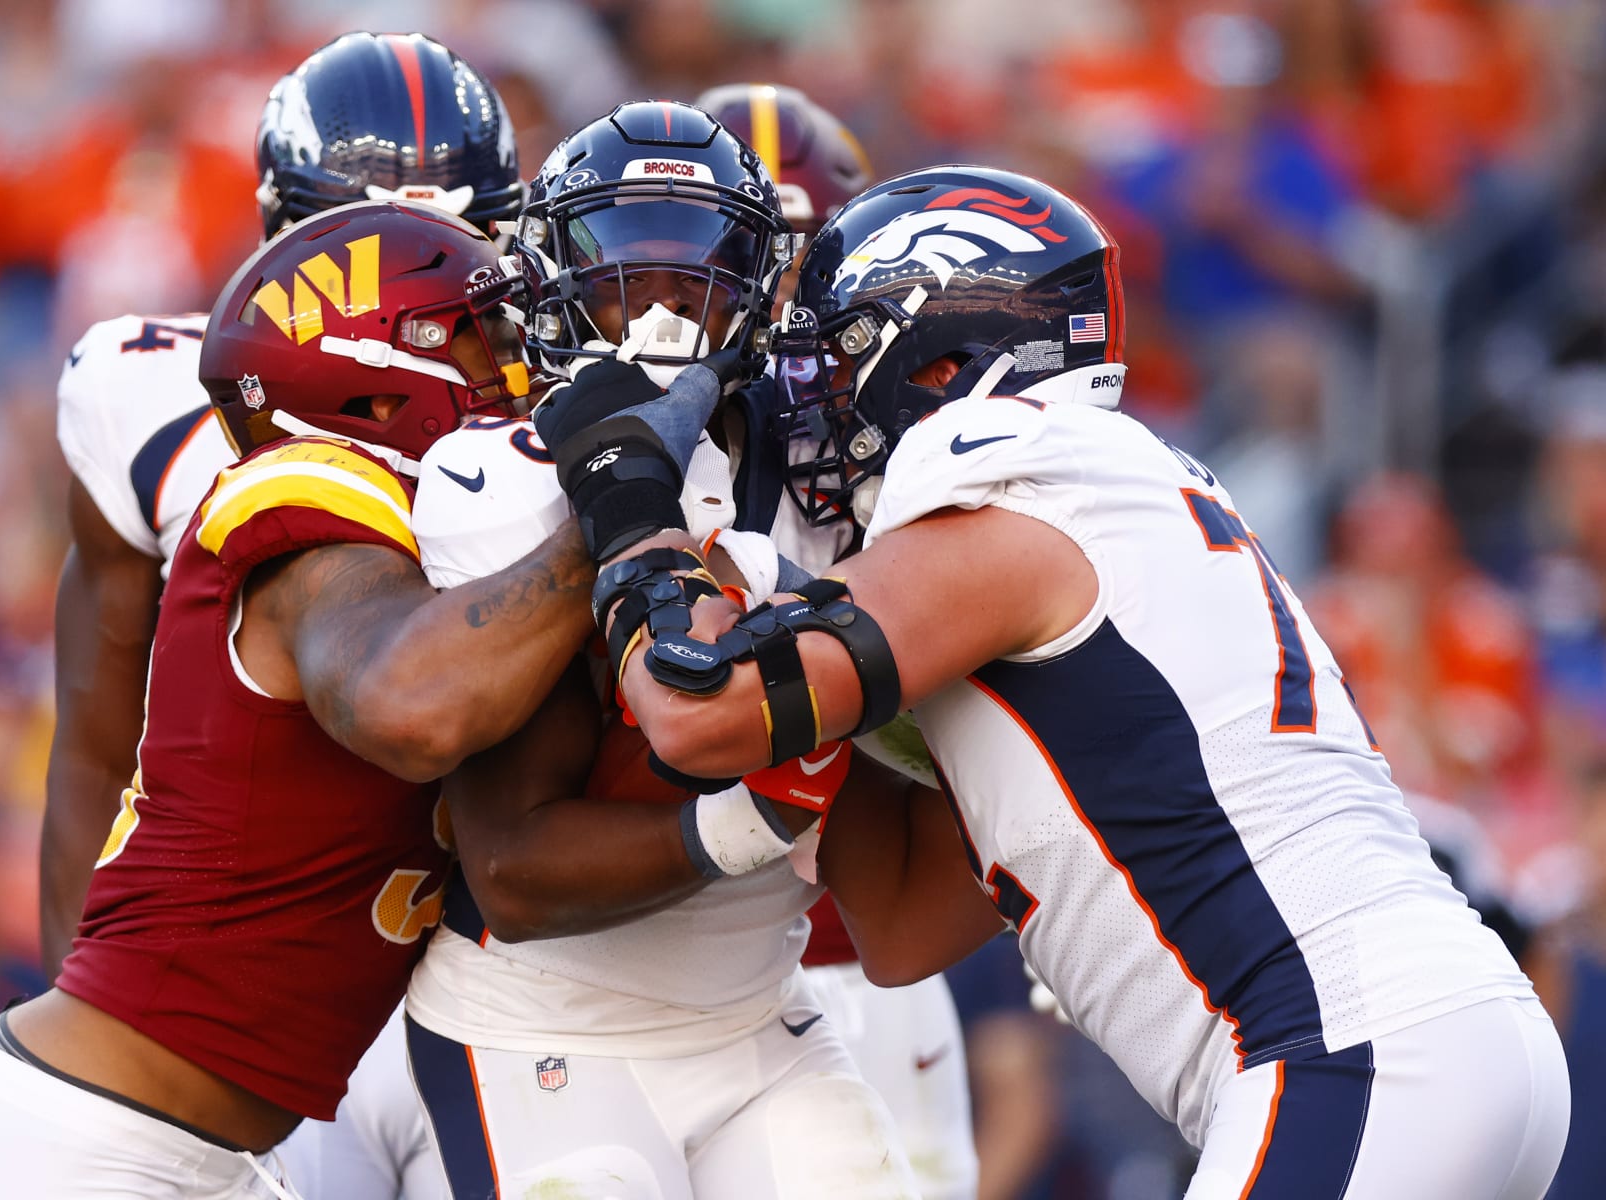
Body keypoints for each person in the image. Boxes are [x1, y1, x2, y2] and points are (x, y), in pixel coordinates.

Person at [541, 165, 1571, 1200]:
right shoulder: (1099, 507)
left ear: (939, 362)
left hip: (1350, 1050)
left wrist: (629, 502)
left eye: (841, 357)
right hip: (1427, 1043)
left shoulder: (1012, 498)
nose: (817, 404)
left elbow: (698, 712)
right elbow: (899, 926)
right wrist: (836, 701)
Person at [0, 200, 594, 1198]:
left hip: (196, 1151)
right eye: (476, 334)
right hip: (87, 1148)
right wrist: (611, 515)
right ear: (371, 391)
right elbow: (416, 710)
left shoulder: (424, 548)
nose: (514, 366)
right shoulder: (299, 498)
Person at [399, 101, 919, 1199]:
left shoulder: (832, 478)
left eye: (695, 277)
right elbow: (513, 871)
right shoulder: (503, 472)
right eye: (622, 271)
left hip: (761, 1016)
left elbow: (893, 880)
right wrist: (763, 814)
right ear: (546, 274)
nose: (661, 310)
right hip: (542, 1028)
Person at [41, 33, 520, 1197]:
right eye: (363, 242)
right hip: (280, 985)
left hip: (515, 956)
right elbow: (102, 750)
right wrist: (83, 1006)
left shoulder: (551, 401)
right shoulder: (147, 395)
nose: (413, 283)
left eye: (455, 241)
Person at [695, 81, 977, 1200]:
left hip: (856, 959)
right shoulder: (640, 438)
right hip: (634, 973)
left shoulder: (913, 455)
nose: (777, 303)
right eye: (747, 256)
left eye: (806, 259)